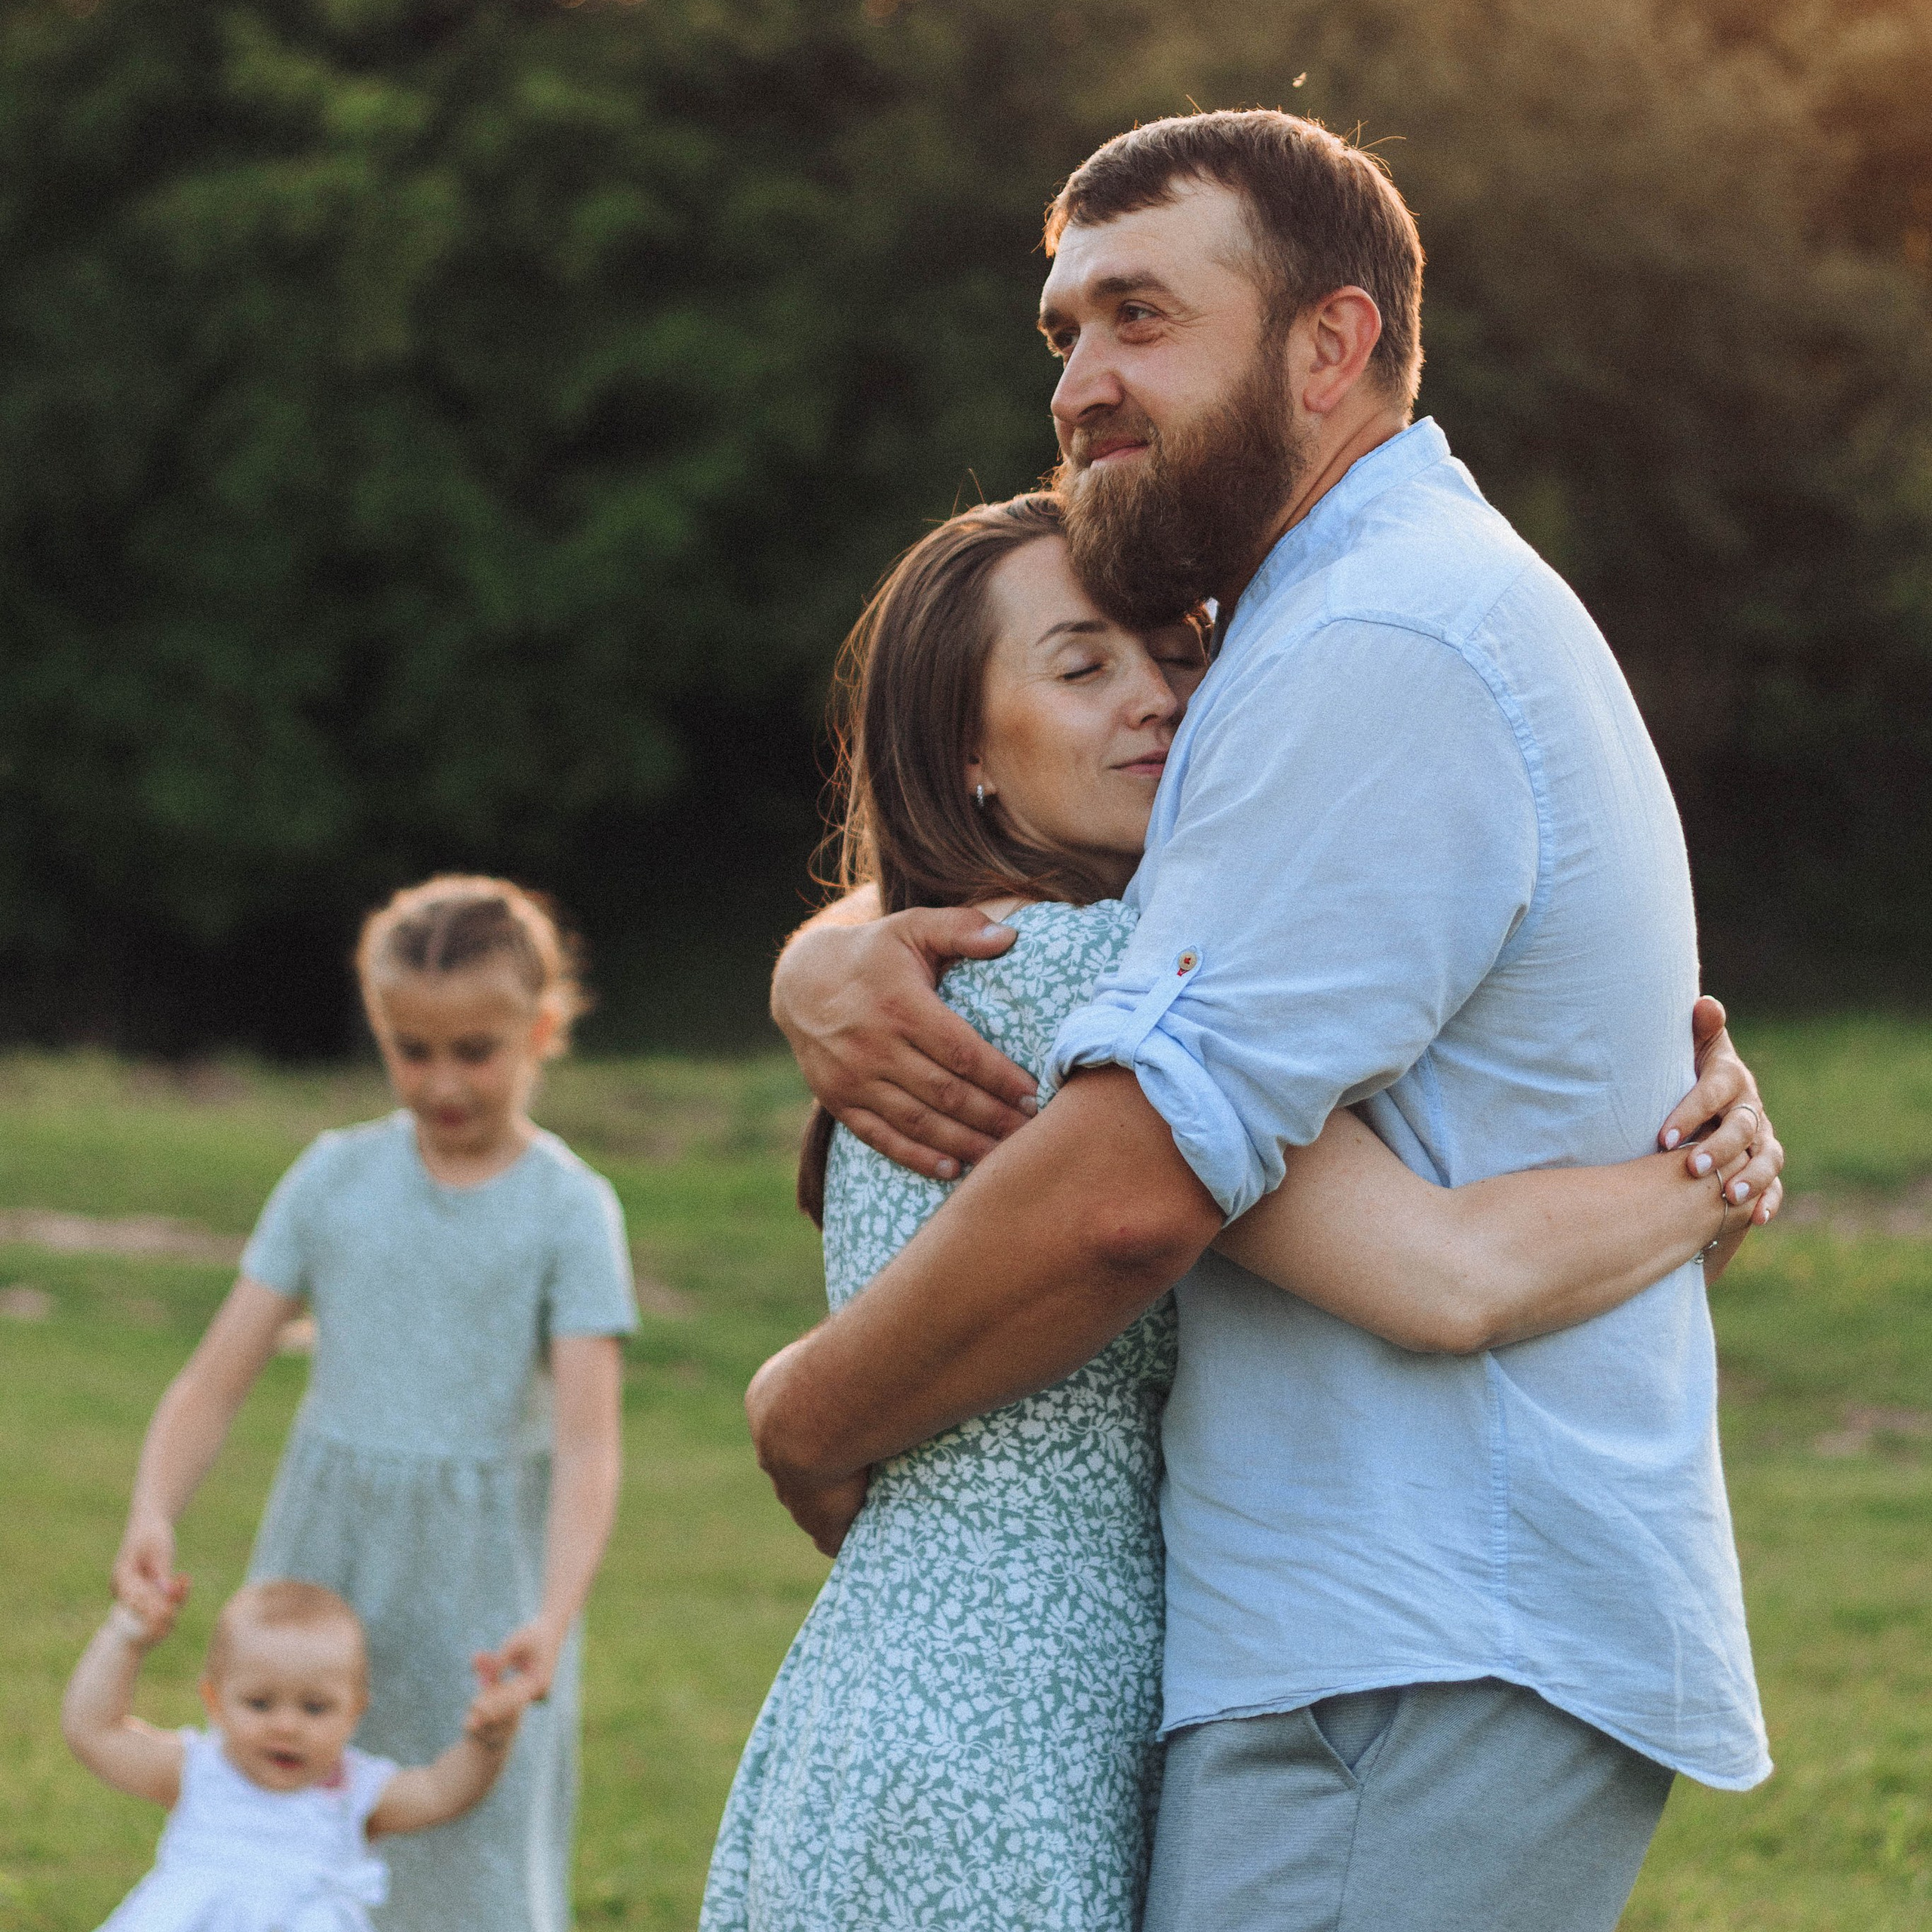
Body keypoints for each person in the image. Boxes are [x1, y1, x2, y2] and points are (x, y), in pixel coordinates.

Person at [757, 112, 1781, 1931]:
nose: (1077, 379)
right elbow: (1103, 892)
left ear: (1327, 344)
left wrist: (798, 1409)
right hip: (1365, 1637)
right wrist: (830, 947)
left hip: (1403, 1636)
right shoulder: (1332, 624)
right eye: (1060, 328)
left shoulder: (1368, 646)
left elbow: (1128, 1192)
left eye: (1139, 316)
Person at [109, 877, 637, 1932]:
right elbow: (215, 1379)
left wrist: (553, 1614)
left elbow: (587, 1447)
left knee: (471, 1851)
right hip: (324, 1572)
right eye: (411, 1048)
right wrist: (153, 1507)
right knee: (291, 1841)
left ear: (538, 1031)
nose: (441, 1080)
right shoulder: (330, 1181)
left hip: (486, 1589)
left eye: (475, 1050)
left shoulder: (569, 1209)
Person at [63, 1578, 529, 1932]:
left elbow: (441, 1792)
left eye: (315, 1707)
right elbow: (95, 1733)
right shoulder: (199, 1771)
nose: (286, 1726)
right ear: (215, 1701)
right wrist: (124, 1637)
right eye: (260, 1703)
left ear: (354, 1713)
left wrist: (489, 1740)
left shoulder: (356, 1792)